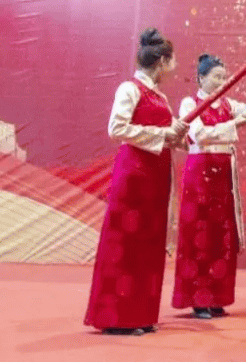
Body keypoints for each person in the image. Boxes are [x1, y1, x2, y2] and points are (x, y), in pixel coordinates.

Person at [84, 28, 187, 335]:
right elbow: (116, 129)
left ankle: (140, 314)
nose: (174, 67)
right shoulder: (129, 89)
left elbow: (166, 134)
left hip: (156, 176)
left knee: (148, 245)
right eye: (172, 60)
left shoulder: (160, 96)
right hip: (134, 176)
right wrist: (163, 134)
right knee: (126, 244)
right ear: (162, 61)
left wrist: (176, 135)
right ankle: (116, 318)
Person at [173, 54, 246, 319]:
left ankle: (217, 297)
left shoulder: (228, 104)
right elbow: (199, 135)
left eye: (224, 77)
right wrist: (234, 124)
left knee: (221, 236)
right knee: (200, 235)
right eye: (216, 77)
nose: (221, 81)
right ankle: (198, 299)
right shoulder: (190, 103)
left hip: (223, 177)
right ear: (201, 78)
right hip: (200, 174)